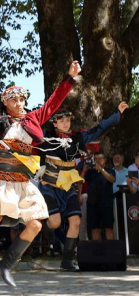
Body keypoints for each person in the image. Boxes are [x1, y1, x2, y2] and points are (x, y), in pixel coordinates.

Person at [0, 59, 82, 287]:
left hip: (22, 180)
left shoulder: (34, 119)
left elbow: (53, 102)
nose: (20, 103)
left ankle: (6, 264)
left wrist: (69, 79)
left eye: (22, 99)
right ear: (5, 102)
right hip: (0, 178)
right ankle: (12, 216)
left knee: (36, 224)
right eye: (14, 99)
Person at [39, 102, 127, 271]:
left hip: (68, 184)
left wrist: (117, 114)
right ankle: (48, 227)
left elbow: (99, 128)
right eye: (61, 120)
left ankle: (67, 260)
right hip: (50, 183)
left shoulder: (78, 138)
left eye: (68, 120)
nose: (66, 123)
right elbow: (27, 129)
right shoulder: (45, 136)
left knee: (76, 221)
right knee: (55, 223)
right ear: (55, 123)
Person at [82, 153, 116, 241]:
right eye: (96, 159)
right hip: (92, 203)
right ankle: (98, 252)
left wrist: (101, 170)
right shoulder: (90, 172)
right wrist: (84, 171)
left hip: (106, 203)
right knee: (94, 228)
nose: (97, 160)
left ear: (105, 160)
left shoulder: (110, 170)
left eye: (100, 158)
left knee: (108, 228)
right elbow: (80, 181)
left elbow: (112, 179)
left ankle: (111, 251)